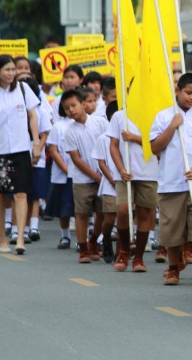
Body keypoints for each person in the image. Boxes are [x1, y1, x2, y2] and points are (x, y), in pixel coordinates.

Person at [150, 73, 192, 286]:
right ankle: (173, 268)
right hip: (171, 182)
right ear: (177, 90)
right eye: (188, 93)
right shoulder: (164, 116)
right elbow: (155, 147)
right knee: (172, 227)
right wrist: (173, 126)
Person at [0, 54, 42, 254]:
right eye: (7, 69)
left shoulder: (23, 89)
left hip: (21, 149)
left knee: (21, 193)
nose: (11, 73)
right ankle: (2, 239)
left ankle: (20, 238)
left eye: (13, 69)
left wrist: (36, 143)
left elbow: (33, 116)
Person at [108, 100, 160, 273]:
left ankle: (139, 257)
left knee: (144, 214)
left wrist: (135, 138)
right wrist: (121, 169)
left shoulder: (156, 116)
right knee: (123, 210)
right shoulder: (119, 116)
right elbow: (113, 146)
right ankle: (124, 251)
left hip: (149, 172)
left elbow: (158, 145)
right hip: (125, 173)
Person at [62, 89, 108, 263]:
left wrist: (105, 173)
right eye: (67, 108)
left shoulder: (100, 122)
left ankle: (93, 240)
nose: (71, 110)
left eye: (73, 105)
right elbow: (76, 159)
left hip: (104, 175)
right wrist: (95, 176)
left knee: (102, 213)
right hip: (82, 179)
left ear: (83, 104)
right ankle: (83, 249)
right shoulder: (69, 131)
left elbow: (110, 145)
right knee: (81, 213)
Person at [18, 75, 52, 243]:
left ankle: (34, 226)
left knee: (36, 193)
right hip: (19, 152)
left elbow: (45, 133)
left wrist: (37, 149)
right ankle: (21, 228)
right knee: (21, 192)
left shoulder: (40, 109)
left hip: (37, 156)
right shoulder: (16, 109)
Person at [92, 102, 120, 263]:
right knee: (109, 218)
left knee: (123, 218)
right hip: (110, 184)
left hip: (126, 182)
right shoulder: (103, 138)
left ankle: (121, 250)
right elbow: (101, 162)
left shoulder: (128, 137)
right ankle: (107, 238)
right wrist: (111, 179)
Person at [46, 103, 74, 250]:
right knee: (64, 207)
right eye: (68, 106)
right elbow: (54, 150)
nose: (71, 109)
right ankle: (65, 236)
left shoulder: (87, 123)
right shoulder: (58, 126)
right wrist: (67, 170)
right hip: (63, 174)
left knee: (82, 208)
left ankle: (85, 238)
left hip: (82, 174)